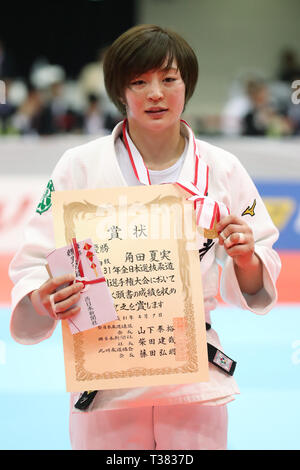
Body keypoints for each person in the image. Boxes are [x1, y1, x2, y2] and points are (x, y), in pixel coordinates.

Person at [9, 24, 281, 450]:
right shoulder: (78, 167)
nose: (156, 92)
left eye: (168, 79)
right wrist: (44, 297)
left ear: (186, 84)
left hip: (195, 379)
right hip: (104, 378)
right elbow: (33, 265)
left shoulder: (223, 169)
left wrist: (247, 260)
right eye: (139, 81)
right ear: (120, 91)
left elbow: (259, 274)